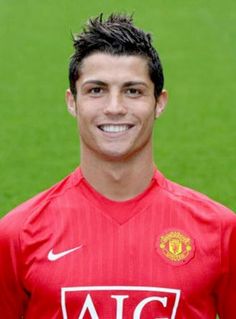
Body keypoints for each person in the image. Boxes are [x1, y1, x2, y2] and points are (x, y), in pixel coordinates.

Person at [0, 13, 235, 319]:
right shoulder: (17, 235)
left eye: (133, 91)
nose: (114, 108)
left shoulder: (220, 232)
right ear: (72, 102)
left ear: (159, 102)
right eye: (96, 90)